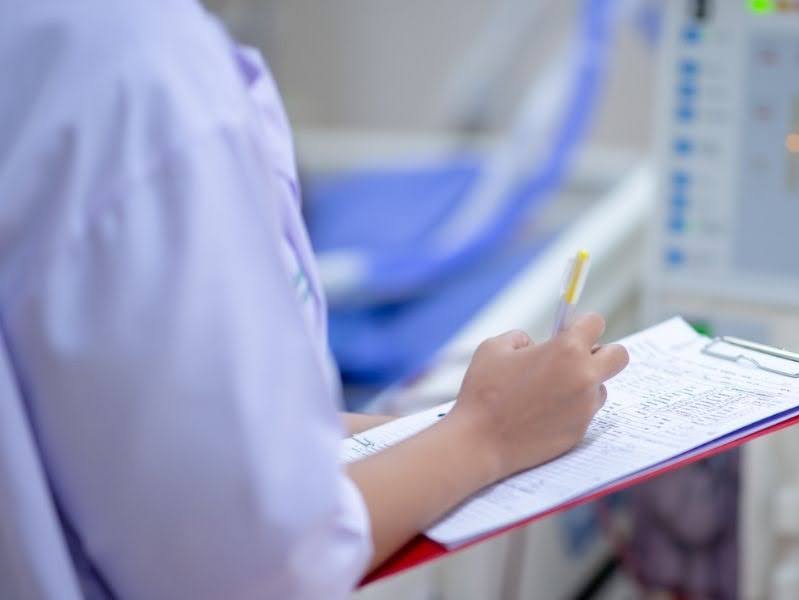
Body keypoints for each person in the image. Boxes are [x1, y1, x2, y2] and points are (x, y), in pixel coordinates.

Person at [0, 2, 630, 599]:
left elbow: (133, 429)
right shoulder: (138, 78)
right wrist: (485, 435)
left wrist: (435, 428)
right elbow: (260, 566)